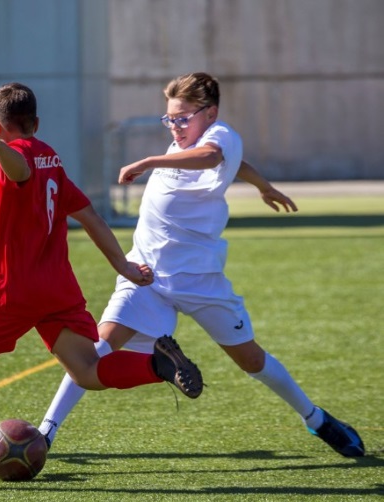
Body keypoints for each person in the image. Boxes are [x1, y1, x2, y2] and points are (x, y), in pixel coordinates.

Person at [37, 72, 364, 458]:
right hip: (144, 277)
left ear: (210, 113)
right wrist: (263, 185)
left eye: (183, 117)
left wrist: (148, 160)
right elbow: (235, 165)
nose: (174, 126)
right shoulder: (185, 141)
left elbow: (215, 157)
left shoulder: (219, 137)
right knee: (96, 351)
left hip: (199, 281)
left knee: (252, 361)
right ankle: (45, 433)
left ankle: (317, 419)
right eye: (169, 119)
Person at [0, 83, 204, 489]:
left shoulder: (19, 155)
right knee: (87, 370)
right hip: (57, 287)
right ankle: (156, 364)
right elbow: (90, 215)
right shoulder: (50, 157)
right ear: (36, 122)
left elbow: (18, 169)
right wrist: (123, 265)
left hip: (12, 292)